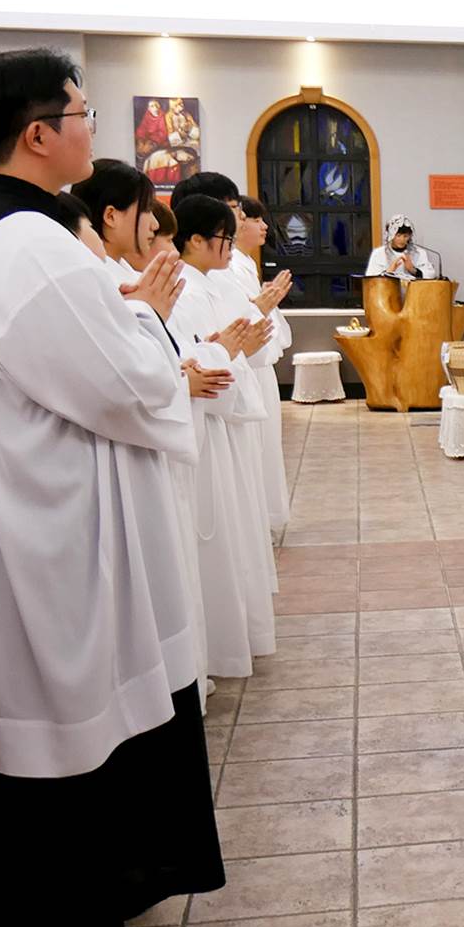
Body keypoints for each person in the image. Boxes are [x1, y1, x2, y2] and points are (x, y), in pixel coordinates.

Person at [0, 47, 221, 927]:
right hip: (56, 527)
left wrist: (126, 313)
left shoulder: (0, 230)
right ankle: (71, 925)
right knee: (74, 722)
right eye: (83, 111)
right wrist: (145, 320)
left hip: (45, 503)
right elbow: (123, 381)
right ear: (38, 134)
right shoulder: (30, 244)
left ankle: (82, 911)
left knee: (75, 718)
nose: (94, 126)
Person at [75, 160, 234, 699]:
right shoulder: (103, 281)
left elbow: (165, 355)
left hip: (170, 432)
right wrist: (181, 366)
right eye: (146, 212)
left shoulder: (120, 278)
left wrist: (193, 360)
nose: (153, 227)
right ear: (108, 217)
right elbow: (122, 376)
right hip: (133, 452)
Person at [169, 194, 276, 677]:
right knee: (216, 542)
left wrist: (241, 345)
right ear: (194, 239)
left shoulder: (210, 284)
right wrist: (228, 353)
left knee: (237, 535)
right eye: (224, 237)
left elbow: (233, 348)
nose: (230, 247)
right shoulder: (187, 293)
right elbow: (198, 365)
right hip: (209, 425)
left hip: (227, 418)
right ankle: (218, 651)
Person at [227, 194, 293, 536]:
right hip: (244, 365)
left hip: (258, 363)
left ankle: (265, 518)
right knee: (256, 447)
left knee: (265, 445)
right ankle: (259, 519)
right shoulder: (232, 266)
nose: (263, 226)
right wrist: (260, 305)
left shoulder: (243, 263)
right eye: (254, 218)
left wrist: (264, 303)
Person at [365, 215, 441, 279]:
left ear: (410, 236)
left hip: (414, 291)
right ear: (390, 235)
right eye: (398, 236)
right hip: (388, 291)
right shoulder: (379, 253)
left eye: (405, 236)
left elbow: (430, 274)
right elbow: (370, 278)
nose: (402, 239)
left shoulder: (419, 253)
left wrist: (413, 270)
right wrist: (388, 272)